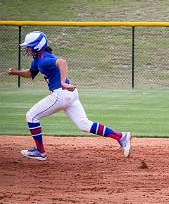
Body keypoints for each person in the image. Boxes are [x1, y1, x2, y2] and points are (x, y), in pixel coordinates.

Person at [7, 31, 132, 161]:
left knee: (31, 116)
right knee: (84, 124)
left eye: (29, 46)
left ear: (37, 46)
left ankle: (40, 151)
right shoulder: (38, 60)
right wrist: (16, 72)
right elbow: (31, 73)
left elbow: (62, 62)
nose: (27, 49)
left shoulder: (44, 60)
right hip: (70, 95)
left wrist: (62, 82)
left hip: (60, 94)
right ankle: (121, 137)